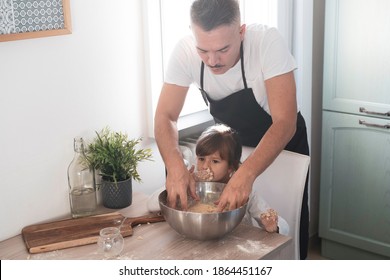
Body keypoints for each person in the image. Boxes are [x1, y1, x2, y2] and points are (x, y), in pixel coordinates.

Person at [154, 0, 310, 259]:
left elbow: (285, 122)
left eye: (223, 49)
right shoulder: (184, 52)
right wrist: (175, 166)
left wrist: (246, 174)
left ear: (241, 31)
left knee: (282, 227)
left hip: (283, 147)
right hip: (229, 149)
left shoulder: (267, 43)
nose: (212, 61)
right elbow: (165, 115)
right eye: (203, 50)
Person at [192, 123, 287, 234]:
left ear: (231, 167)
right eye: (201, 159)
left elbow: (279, 223)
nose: (205, 166)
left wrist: (272, 225)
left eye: (215, 161)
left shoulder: (244, 192)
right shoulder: (194, 187)